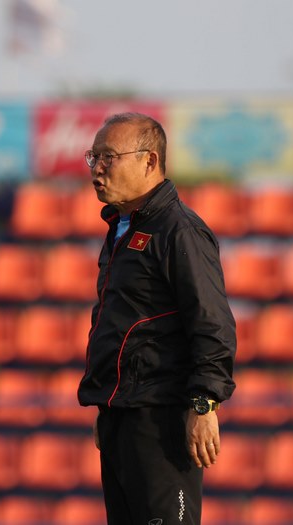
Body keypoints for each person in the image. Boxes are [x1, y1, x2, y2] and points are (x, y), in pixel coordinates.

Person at [77, 112, 236, 525]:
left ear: (149, 161)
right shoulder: (122, 229)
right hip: (122, 415)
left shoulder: (179, 230)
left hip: (162, 420)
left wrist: (204, 404)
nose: (97, 169)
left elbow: (212, 322)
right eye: (94, 157)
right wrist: (108, 405)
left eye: (109, 157)